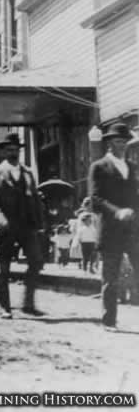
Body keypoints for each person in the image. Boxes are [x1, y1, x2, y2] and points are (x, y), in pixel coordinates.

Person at [0, 132, 45, 319]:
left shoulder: (28, 173)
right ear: (3, 152)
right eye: (9, 150)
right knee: (4, 268)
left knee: (36, 261)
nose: (13, 153)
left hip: (27, 226)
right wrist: (0, 221)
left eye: (16, 150)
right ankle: (4, 307)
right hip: (6, 227)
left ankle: (28, 303)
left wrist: (40, 223)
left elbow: (34, 199)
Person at [88, 122, 139, 331]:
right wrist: (117, 211)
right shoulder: (99, 167)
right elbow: (95, 199)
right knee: (111, 276)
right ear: (109, 143)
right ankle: (109, 320)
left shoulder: (133, 167)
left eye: (124, 142)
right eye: (117, 142)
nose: (121, 146)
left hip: (133, 229)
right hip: (111, 229)